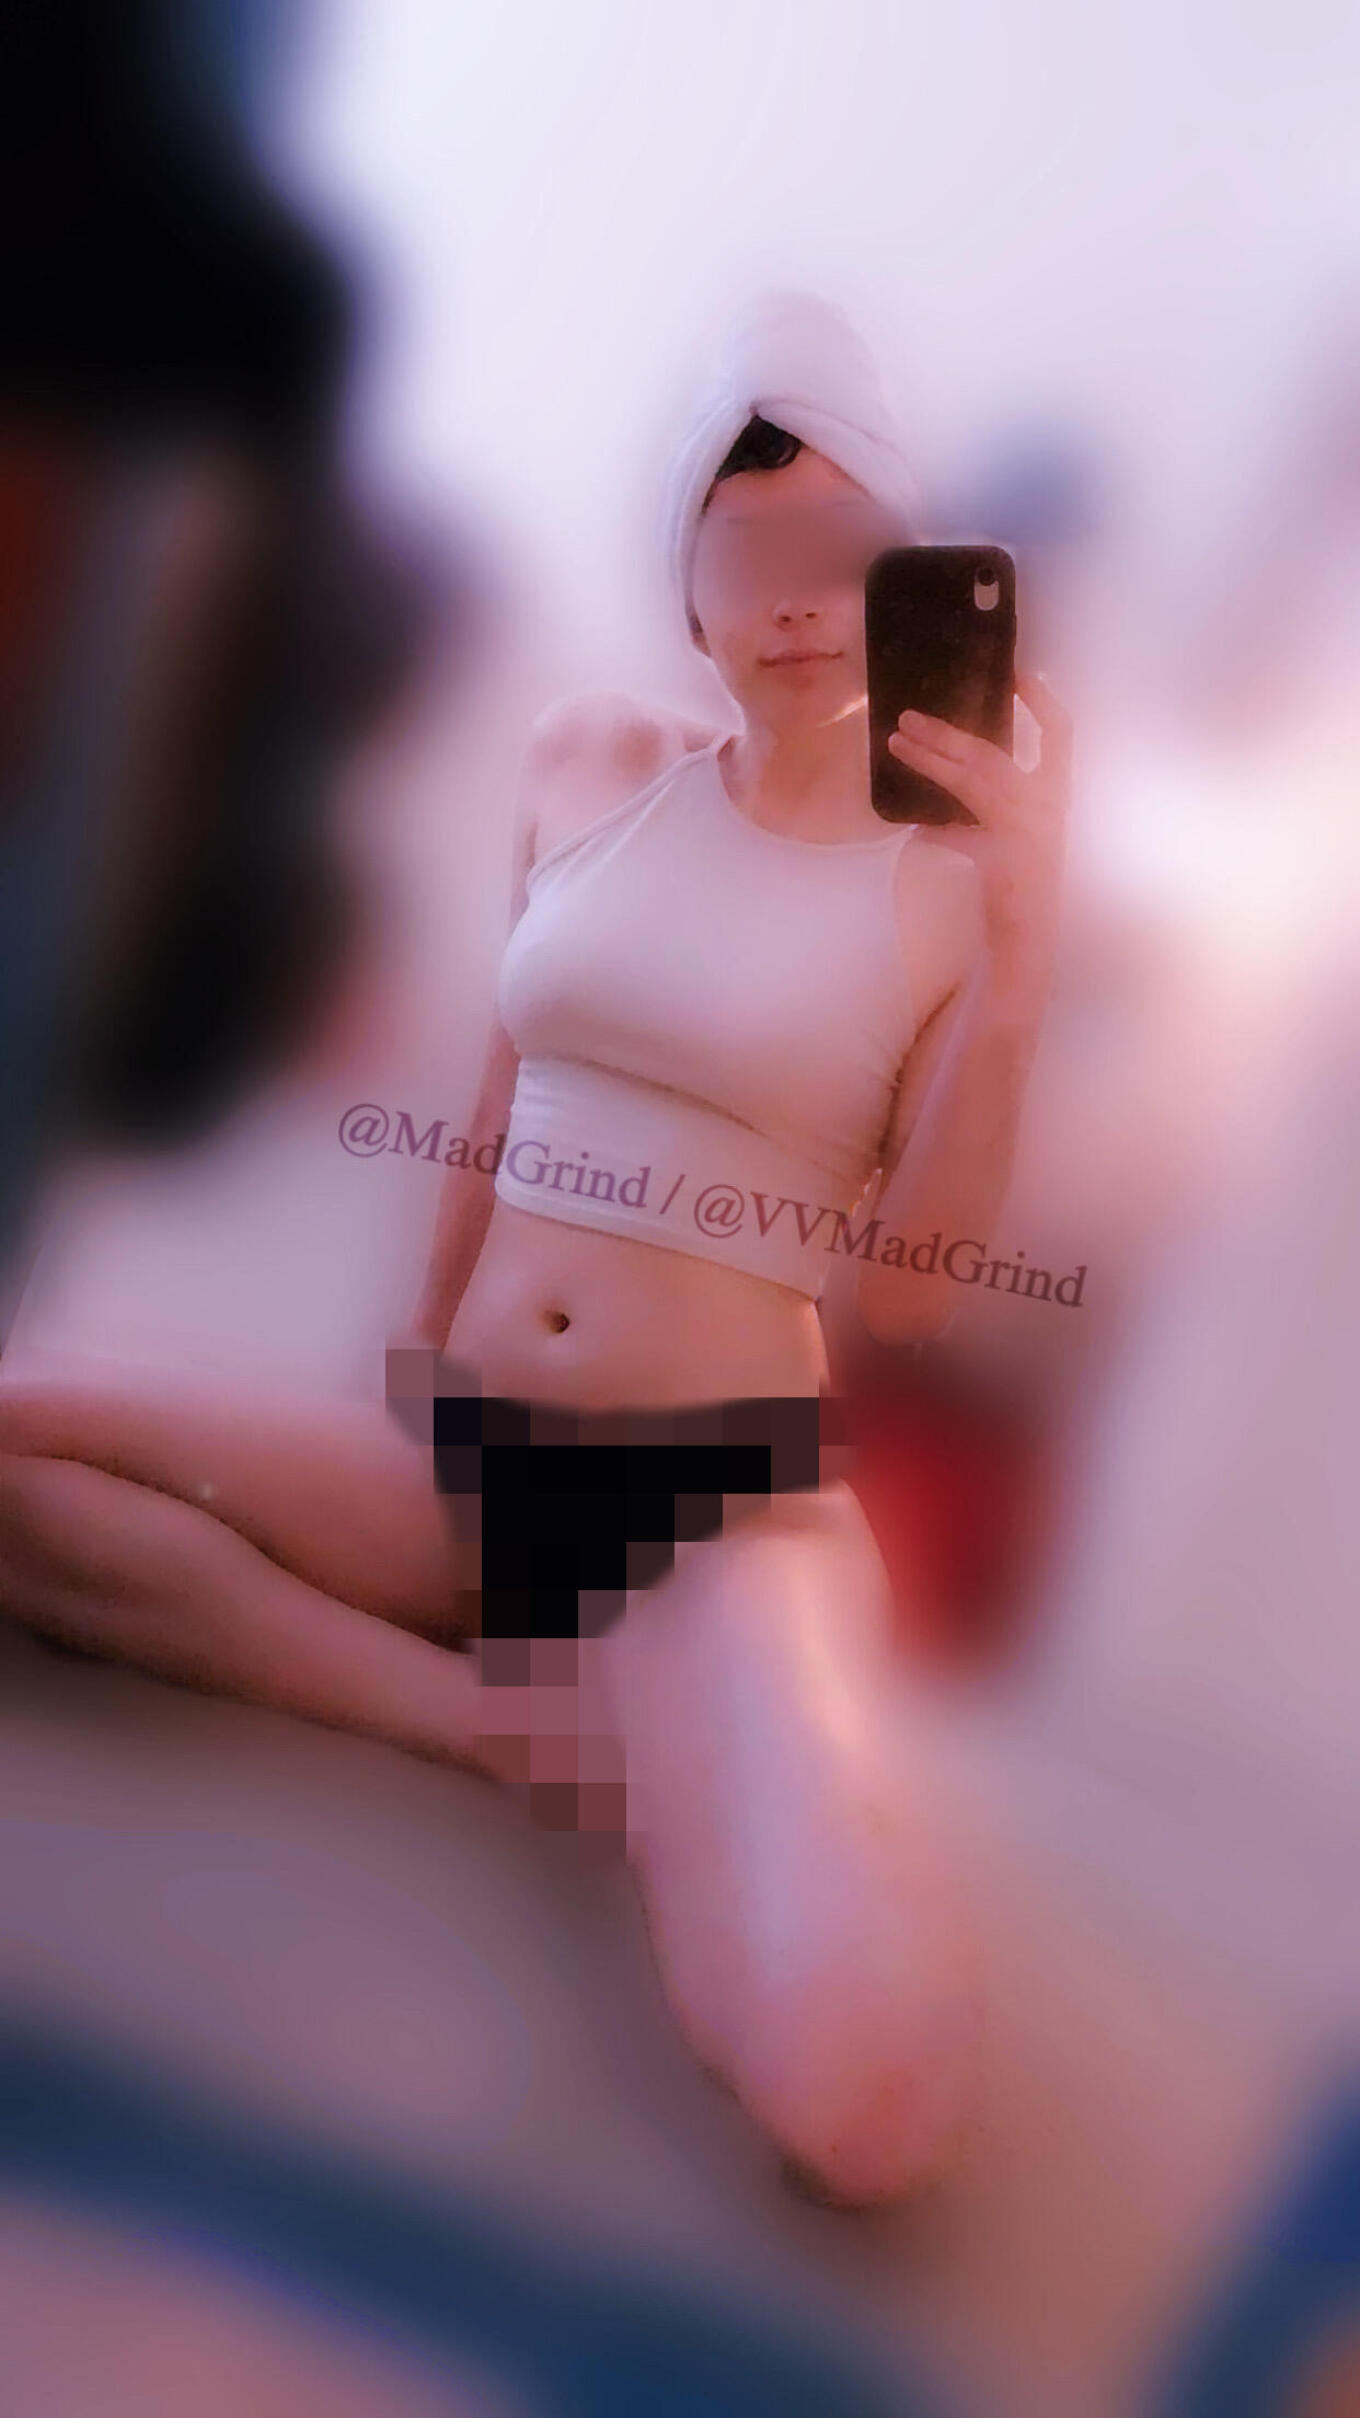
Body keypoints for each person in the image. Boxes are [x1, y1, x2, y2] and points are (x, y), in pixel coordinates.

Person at [0, 292, 1071, 2204]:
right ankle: (497, 1725)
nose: (793, 599)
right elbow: (493, 1116)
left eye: (838, 547)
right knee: (21, 1442)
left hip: (707, 1513)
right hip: (476, 1456)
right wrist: (411, 1372)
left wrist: (1022, 957)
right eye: (743, 549)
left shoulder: (946, 884)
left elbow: (911, 1294)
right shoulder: (589, 760)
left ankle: (658, 1726)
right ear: (686, 582)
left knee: (851, 2092)